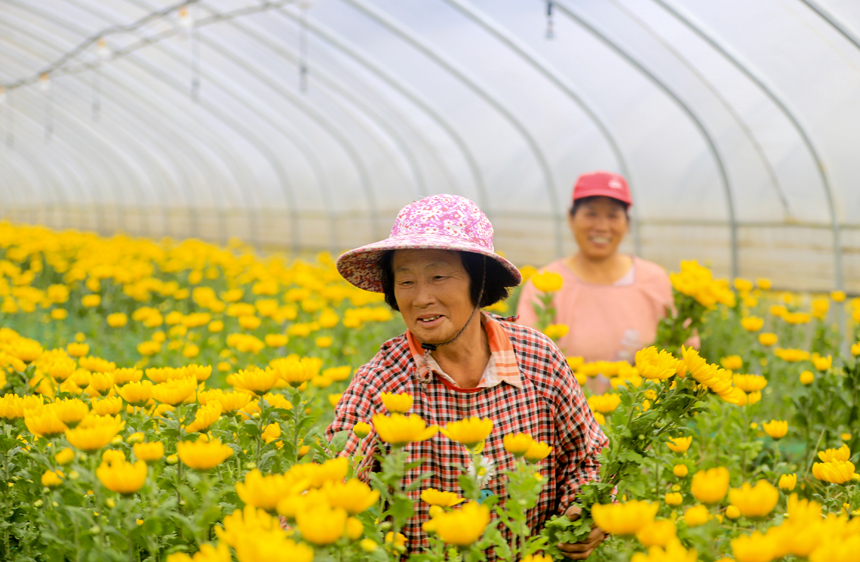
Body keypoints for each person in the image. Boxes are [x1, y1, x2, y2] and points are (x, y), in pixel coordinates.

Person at [328, 194, 608, 560]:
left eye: (439, 276)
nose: (421, 298)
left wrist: (583, 510)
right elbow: (330, 478)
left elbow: (588, 457)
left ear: (480, 283)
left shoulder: (538, 359)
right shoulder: (381, 381)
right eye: (406, 281)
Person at [517, 171, 689, 390]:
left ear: (627, 224)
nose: (601, 226)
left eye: (613, 215)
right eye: (591, 214)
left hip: (641, 417)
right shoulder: (545, 284)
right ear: (571, 218)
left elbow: (682, 349)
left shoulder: (654, 280)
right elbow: (526, 360)